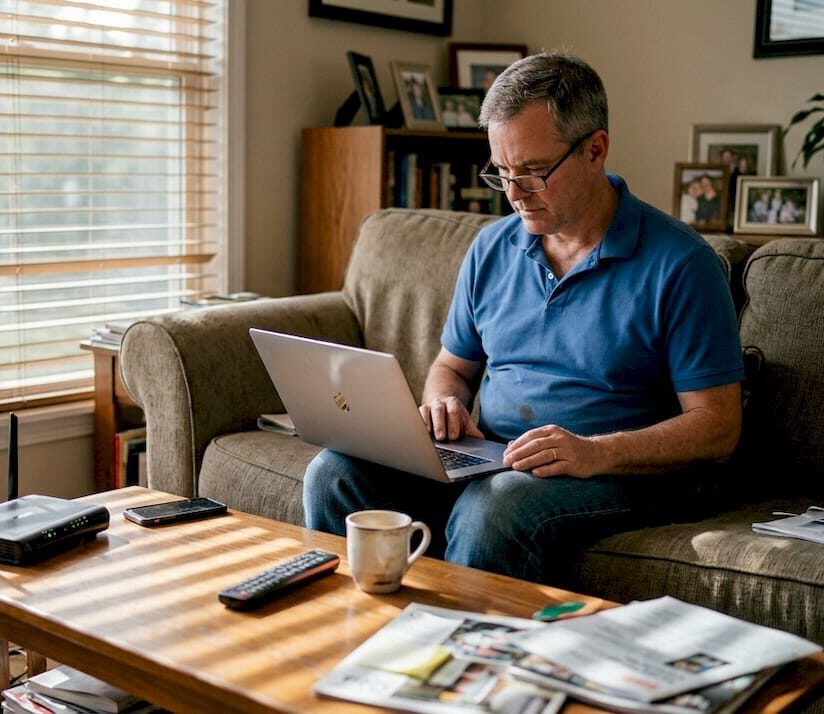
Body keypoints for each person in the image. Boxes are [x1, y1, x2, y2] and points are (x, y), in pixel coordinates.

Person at [303, 52, 744, 586]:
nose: (513, 194)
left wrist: (592, 452)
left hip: (616, 473)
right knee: (334, 473)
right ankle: (355, 643)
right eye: (502, 173)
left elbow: (717, 427)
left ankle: (454, 660)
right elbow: (453, 366)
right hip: (492, 457)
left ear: (595, 150)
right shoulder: (492, 248)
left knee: (495, 509)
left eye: (533, 172)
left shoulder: (680, 263)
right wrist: (442, 403)